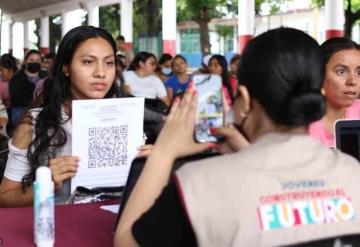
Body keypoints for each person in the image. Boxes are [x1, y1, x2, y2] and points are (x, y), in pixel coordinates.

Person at [114, 28, 360, 246]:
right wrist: (245, 150)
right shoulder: (352, 171)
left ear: (242, 98)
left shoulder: (200, 183)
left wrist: (164, 151)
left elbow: (127, 243)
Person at [0, 26, 132, 207]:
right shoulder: (34, 124)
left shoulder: (126, 119)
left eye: (109, 63)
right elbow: (5, 197)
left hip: (112, 227)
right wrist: (46, 184)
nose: (101, 73)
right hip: (58, 229)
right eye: (88, 62)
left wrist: (150, 167)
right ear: (66, 68)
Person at [309, 37, 360, 147]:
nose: (353, 81)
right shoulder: (302, 121)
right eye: (341, 71)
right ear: (319, 74)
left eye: (359, 72)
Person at [9, 49, 46, 129]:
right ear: (25, 62)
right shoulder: (16, 78)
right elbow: (17, 99)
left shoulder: (46, 76)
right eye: (32, 60)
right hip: (21, 109)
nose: (35, 62)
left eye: (38, 60)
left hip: (44, 108)